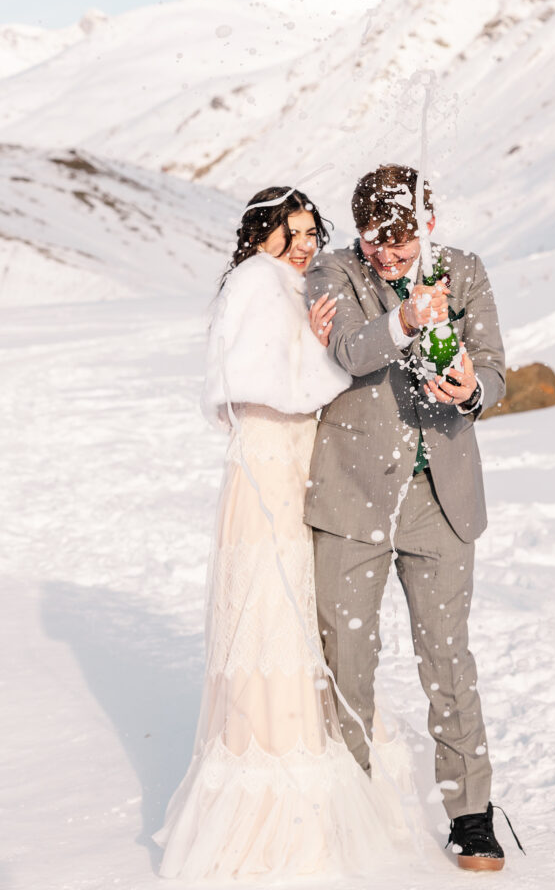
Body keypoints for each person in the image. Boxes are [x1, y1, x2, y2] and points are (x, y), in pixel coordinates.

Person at [154, 187, 412, 882]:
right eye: (288, 231)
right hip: (271, 463)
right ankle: (278, 771)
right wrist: (322, 347)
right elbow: (269, 383)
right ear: (259, 234)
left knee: (296, 607)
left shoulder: (277, 284)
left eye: (308, 231)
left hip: (287, 460)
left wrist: (315, 340)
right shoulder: (258, 283)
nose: (301, 243)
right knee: (275, 607)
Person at [305, 163, 522, 872]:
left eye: (402, 245)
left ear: (427, 225)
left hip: (441, 498)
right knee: (348, 662)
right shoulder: (332, 273)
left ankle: (470, 814)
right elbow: (348, 352)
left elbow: (492, 367)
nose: (390, 257)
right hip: (352, 498)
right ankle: (351, 802)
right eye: (377, 244)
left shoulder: (463, 270)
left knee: (447, 656)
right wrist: (403, 318)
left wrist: (470, 390)